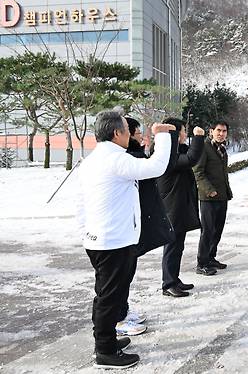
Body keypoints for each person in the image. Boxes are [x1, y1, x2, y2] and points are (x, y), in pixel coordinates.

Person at [77, 110, 174, 369]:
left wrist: (86, 232)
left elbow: (81, 204)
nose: (130, 134)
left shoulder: (95, 159)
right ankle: (105, 351)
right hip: (112, 241)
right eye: (127, 130)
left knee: (108, 294)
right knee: (109, 297)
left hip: (102, 239)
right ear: (117, 133)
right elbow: (156, 167)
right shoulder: (114, 159)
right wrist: (162, 136)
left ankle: (106, 340)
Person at [116, 117, 176, 328]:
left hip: (131, 225)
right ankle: (118, 318)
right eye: (138, 132)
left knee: (126, 274)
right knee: (119, 278)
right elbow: (158, 166)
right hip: (123, 228)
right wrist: (163, 135)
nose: (141, 136)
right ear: (125, 134)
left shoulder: (130, 155)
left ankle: (121, 311)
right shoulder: (127, 158)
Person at [157, 118, 206, 296]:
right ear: (175, 134)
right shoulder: (165, 154)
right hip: (171, 207)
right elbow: (191, 159)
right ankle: (168, 284)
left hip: (179, 206)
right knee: (171, 247)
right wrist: (199, 138)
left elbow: (191, 153)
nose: (186, 134)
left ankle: (174, 279)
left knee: (178, 246)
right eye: (183, 131)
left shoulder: (176, 149)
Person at [193, 120, 233, 276]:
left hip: (222, 196)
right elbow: (198, 172)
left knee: (218, 230)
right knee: (208, 231)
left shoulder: (222, 149)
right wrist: (209, 190)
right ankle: (202, 263)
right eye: (218, 130)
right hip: (208, 197)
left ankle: (211, 257)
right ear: (211, 131)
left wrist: (226, 192)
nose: (221, 134)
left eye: (224, 131)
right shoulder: (204, 147)